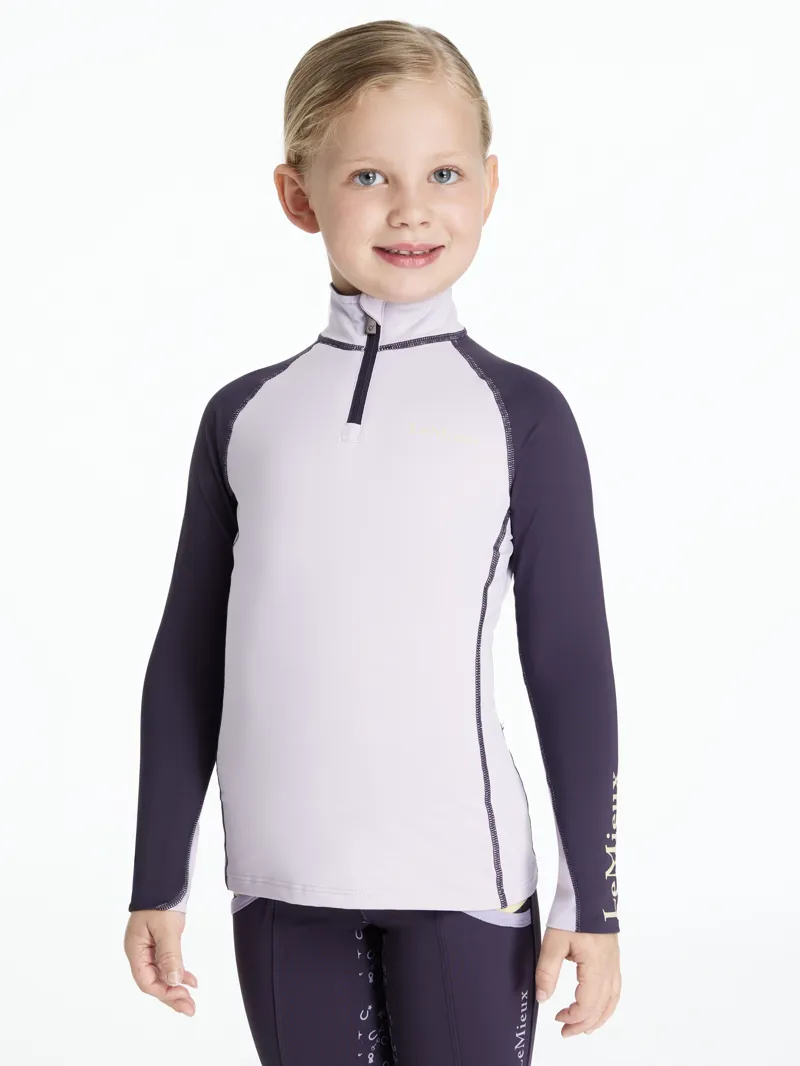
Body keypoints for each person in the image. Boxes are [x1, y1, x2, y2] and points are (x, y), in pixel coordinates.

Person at [123, 18, 622, 1064]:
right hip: (280, 884)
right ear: (296, 195)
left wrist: (596, 900)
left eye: (443, 172)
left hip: (463, 883)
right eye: (366, 176)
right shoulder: (244, 416)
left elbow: (570, 663)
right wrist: (155, 878)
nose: (410, 208)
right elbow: (189, 657)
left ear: (489, 185)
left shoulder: (520, 415)